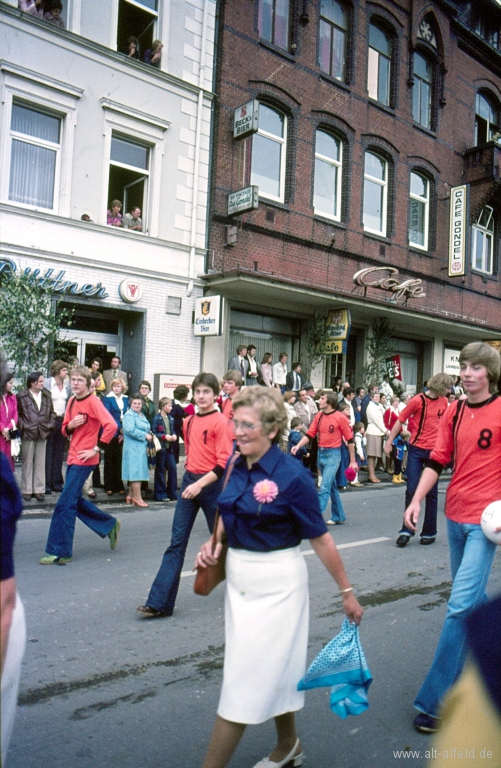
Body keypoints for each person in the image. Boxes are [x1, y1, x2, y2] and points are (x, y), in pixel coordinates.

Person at [195, 386, 363, 768]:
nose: (237, 431)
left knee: (243, 682)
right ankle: (289, 745)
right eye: (235, 422)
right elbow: (226, 508)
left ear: (272, 429)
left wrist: (347, 592)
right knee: (273, 668)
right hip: (240, 585)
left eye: (247, 425)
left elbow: (320, 538)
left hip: (278, 588)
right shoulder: (237, 463)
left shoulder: (293, 477)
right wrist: (214, 542)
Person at [403, 342, 501, 734]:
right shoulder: (455, 411)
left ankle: (436, 701)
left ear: (490, 374)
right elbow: (438, 458)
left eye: (475, 367)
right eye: (463, 365)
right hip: (454, 515)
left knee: (459, 607)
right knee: (472, 602)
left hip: (485, 523)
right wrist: (415, 499)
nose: (466, 373)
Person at [136, 372, 233, 619]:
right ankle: (159, 603)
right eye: (198, 392)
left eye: (206, 392)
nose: (201, 396)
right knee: (176, 543)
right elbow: (191, 453)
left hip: (212, 487)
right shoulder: (188, 421)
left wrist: (200, 484)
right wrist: (191, 478)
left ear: (215, 395)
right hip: (191, 482)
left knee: (227, 544)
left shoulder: (221, 422)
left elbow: (223, 463)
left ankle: (253, 592)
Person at [39, 366, 121, 565]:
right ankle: (109, 524)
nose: (75, 383)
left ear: (88, 383)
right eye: (73, 380)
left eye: (79, 380)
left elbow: (111, 425)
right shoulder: (72, 401)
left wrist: (96, 448)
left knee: (64, 504)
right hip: (73, 455)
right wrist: (71, 425)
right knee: (73, 498)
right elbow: (65, 430)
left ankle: (60, 551)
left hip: (86, 458)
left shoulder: (93, 401)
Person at [384, 373, 453, 547]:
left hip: (434, 451)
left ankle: (429, 532)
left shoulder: (444, 402)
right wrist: (389, 441)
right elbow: (400, 420)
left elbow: (447, 425)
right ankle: (406, 530)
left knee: (432, 493)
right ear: (439, 386)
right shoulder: (418, 400)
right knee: (411, 490)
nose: (450, 390)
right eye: (447, 387)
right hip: (416, 449)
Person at [292, 391, 357, 525]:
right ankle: (338, 515)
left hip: (333, 455)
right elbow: (310, 434)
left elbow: (350, 440)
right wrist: (298, 446)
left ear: (329, 403)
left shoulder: (340, 418)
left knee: (324, 487)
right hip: (321, 454)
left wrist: (352, 460)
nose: (319, 400)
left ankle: (312, 517)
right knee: (331, 487)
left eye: (322, 399)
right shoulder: (319, 416)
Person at [17, 372, 55, 502]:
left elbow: (52, 413)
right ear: (33, 383)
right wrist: (24, 426)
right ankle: (27, 490)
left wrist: (50, 425)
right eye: (40, 381)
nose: (42, 384)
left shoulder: (47, 395)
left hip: (43, 431)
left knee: (40, 462)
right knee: (27, 462)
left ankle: (38, 490)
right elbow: (17, 415)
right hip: (28, 432)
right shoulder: (22, 396)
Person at [43, 360, 70, 493]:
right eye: (64, 370)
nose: (66, 372)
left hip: (62, 420)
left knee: (59, 451)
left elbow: (69, 400)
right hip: (50, 420)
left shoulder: (67, 384)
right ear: (58, 371)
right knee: (48, 451)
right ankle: (46, 482)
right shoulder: (47, 383)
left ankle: (56, 482)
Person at [122, 393, 152, 507]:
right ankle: (138, 498)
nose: (137, 405)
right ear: (131, 403)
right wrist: (145, 435)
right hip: (133, 448)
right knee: (136, 473)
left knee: (138, 471)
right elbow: (130, 430)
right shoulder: (129, 415)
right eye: (134, 403)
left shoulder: (141, 415)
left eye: (139, 403)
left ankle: (130, 495)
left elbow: (146, 427)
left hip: (141, 447)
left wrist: (149, 434)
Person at [102, 377, 129, 496]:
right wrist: (119, 429)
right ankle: (108, 486)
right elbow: (108, 415)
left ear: (122, 387)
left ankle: (119, 485)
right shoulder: (107, 398)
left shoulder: (126, 399)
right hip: (111, 432)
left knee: (119, 460)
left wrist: (125, 431)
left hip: (123, 432)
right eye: (114, 386)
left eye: (118, 386)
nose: (116, 388)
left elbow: (128, 414)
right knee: (109, 459)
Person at [151, 397, 178, 502]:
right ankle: (160, 494)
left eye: (171, 405)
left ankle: (172, 493)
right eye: (169, 406)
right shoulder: (156, 419)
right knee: (160, 471)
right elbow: (153, 432)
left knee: (172, 469)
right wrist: (164, 437)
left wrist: (174, 435)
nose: (170, 408)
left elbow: (173, 430)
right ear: (163, 406)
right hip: (160, 449)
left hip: (169, 449)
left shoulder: (171, 418)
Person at [1, 374, 18, 471]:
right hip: (1, 434)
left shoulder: (12, 397)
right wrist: (3, 428)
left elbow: (15, 415)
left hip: (9, 435)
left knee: (8, 462)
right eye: (10, 383)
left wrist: (9, 428)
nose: (12, 385)